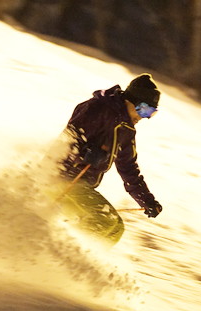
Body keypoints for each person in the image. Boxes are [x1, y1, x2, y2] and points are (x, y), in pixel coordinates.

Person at [56, 73, 163, 244]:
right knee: (106, 221)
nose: (144, 117)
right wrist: (84, 154)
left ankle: (80, 265)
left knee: (115, 229)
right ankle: (65, 253)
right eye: (143, 109)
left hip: (83, 187)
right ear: (130, 100)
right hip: (63, 180)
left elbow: (128, 167)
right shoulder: (98, 109)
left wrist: (147, 200)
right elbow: (67, 140)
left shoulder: (126, 129)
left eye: (151, 113)